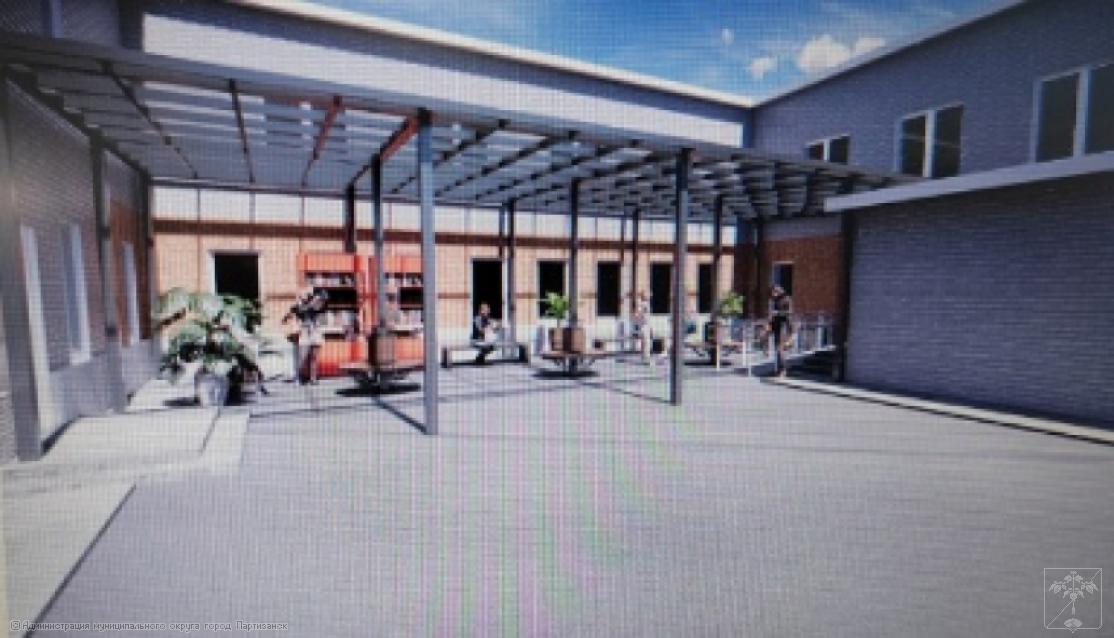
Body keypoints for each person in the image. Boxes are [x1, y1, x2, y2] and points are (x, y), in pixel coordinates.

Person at [283, 287, 328, 384]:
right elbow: (289, 315)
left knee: (313, 357)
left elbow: (318, 307)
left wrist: (315, 300)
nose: (306, 296)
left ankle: (313, 378)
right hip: (304, 332)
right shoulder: (298, 306)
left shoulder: (316, 304)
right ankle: (297, 377)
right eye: (304, 294)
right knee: (302, 356)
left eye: (308, 294)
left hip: (315, 331)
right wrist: (287, 317)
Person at [767, 285, 794, 378]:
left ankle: (782, 370)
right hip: (776, 327)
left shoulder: (787, 299)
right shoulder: (775, 301)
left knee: (780, 349)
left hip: (784, 326)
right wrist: (770, 325)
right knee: (777, 350)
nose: (772, 294)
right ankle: (778, 370)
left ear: (778, 291)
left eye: (774, 292)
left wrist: (778, 313)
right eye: (772, 292)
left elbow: (789, 313)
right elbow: (772, 315)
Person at [632, 290, 654, 365]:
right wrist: (639, 321)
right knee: (645, 343)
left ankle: (645, 358)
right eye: (648, 295)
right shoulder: (642, 304)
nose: (649, 296)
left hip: (646, 325)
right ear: (644, 296)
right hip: (643, 325)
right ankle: (646, 359)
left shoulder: (646, 304)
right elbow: (637, 314)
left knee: (646, 343)